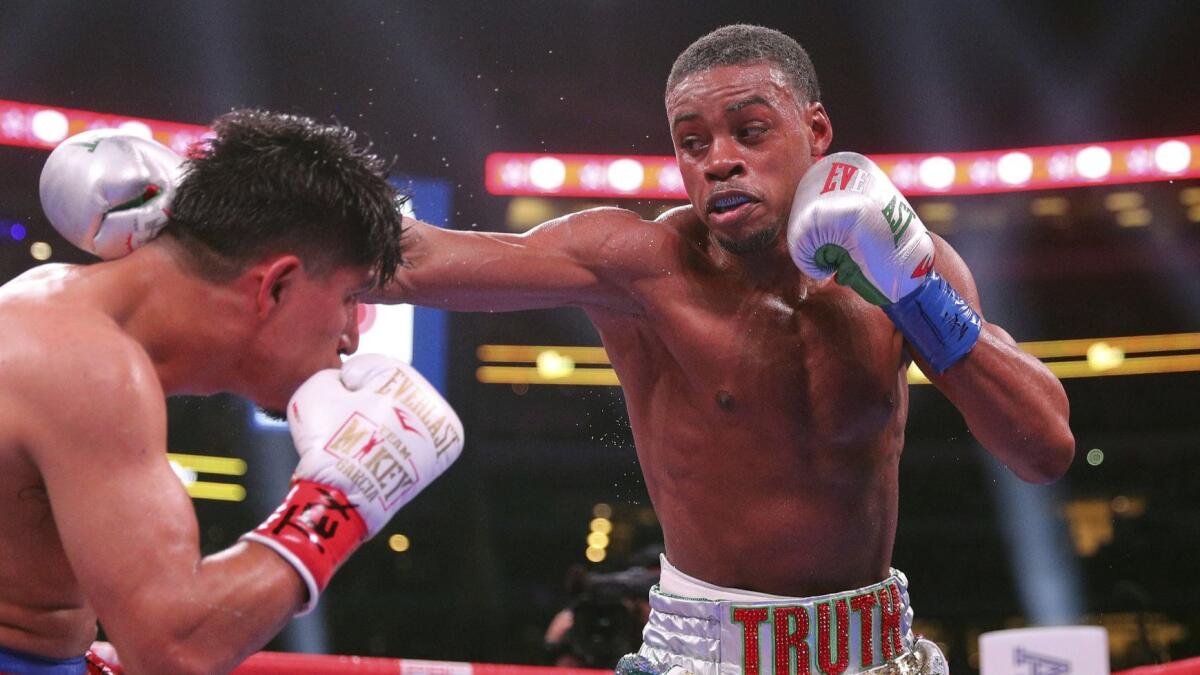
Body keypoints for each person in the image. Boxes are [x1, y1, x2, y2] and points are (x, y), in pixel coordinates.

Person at [376, 25, 1073, 673]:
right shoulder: (642, 265)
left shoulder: (909, 266)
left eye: (749, 131)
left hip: (876, 650)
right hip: (706, 656)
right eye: (692, 142)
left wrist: (915, 292)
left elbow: (1043, 448)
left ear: (816, 129)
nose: (720, 162)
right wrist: (286, 182)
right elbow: (412, 261)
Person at [0, 111, 463, 674]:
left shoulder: (71, 316)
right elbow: (176, 652)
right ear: (277, 285)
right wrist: (339, 502)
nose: (351, 334)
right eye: (349, 298)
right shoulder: (84, 364)